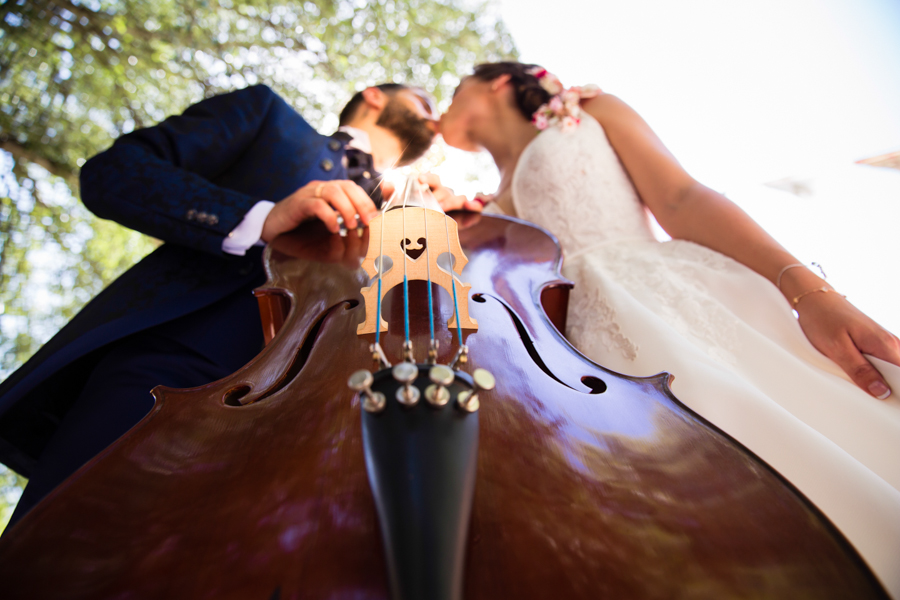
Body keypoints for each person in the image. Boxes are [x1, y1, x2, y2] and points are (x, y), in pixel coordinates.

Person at [436, 62, 900, 595]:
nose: (443, 107)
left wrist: (809, 292)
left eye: (453, 91)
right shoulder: (484, 207)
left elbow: (681, 198)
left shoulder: (587, 110)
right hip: (577, 360)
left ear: (498, 82)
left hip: (668, 296)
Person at [0, 81, 441, 528]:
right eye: (423, 101)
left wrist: (454, 234)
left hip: (320, 431)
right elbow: (115, 172)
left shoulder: (412, 209)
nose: (432, 112)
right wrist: (260, 217)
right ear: (374, 96)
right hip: (177, 372)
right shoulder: (270, 116)